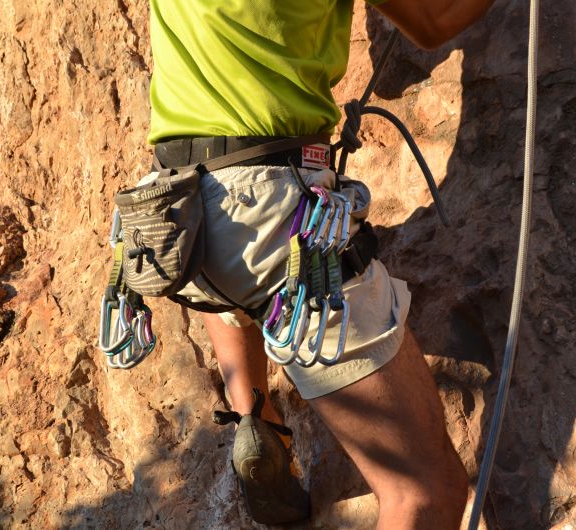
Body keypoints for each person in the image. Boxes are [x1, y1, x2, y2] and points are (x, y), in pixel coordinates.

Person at [147, 1, 494, 528]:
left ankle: (255, 421)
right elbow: (433, 21)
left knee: (244, 278)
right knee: (425, 490)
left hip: (180, 209)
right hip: (268, 204)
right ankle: (258, 421)